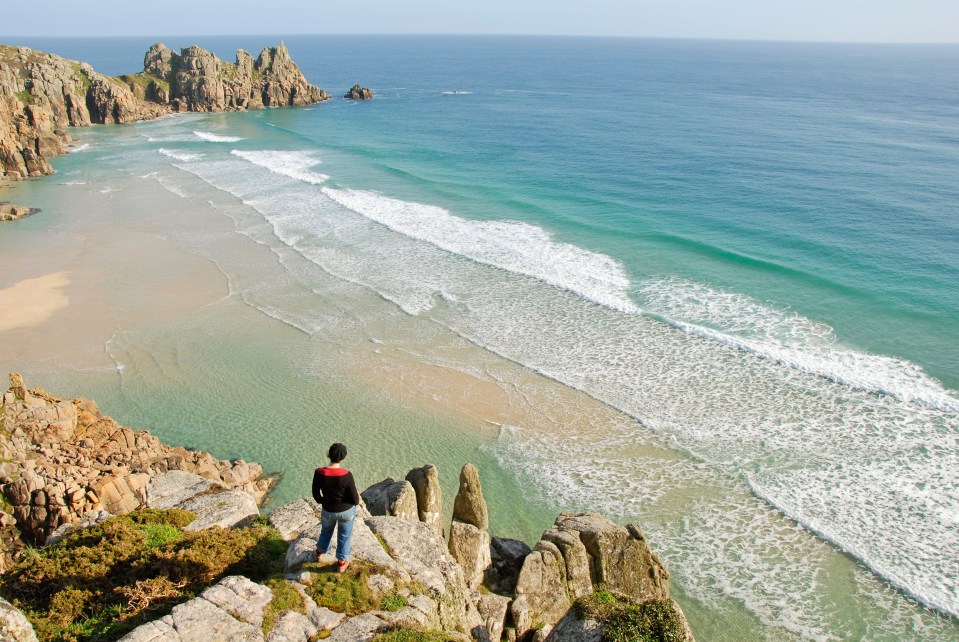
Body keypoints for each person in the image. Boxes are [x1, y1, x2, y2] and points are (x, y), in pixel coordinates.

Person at [312, 442, 361, 572]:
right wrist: (349, 504)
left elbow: (316, 494)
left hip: (328, 509)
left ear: (329, 454)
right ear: (343, 457)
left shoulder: (319, 472)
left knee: (326, 531)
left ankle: (319, 553)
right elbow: (355, 499)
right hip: (346, 511)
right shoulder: (347, 475)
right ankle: (341, 563)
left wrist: (324, 501)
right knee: (344, 535)